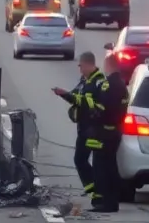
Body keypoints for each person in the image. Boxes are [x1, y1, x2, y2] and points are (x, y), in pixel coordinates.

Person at [51, 51, 104, 200]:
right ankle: (92, 188)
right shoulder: (84, 80)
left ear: (88, 64)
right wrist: (63, 94)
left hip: (92, 129)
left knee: (83, 159)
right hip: (83, 128)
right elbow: (75, 96)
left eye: (81, 66)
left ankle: (97, 190)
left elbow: (86, 103)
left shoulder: (99, 82)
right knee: (80, 160)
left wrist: (65, 94)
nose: (80, 69)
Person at [89, 54, 129, 212]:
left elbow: (102, 108)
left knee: (102, 166)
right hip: (117, 130)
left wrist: (92, 114)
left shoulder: (108, 85)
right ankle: (112, 201)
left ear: (109, 66)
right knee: (111, 165)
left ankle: (105, 202)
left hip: (105, 131)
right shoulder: (122, 85)